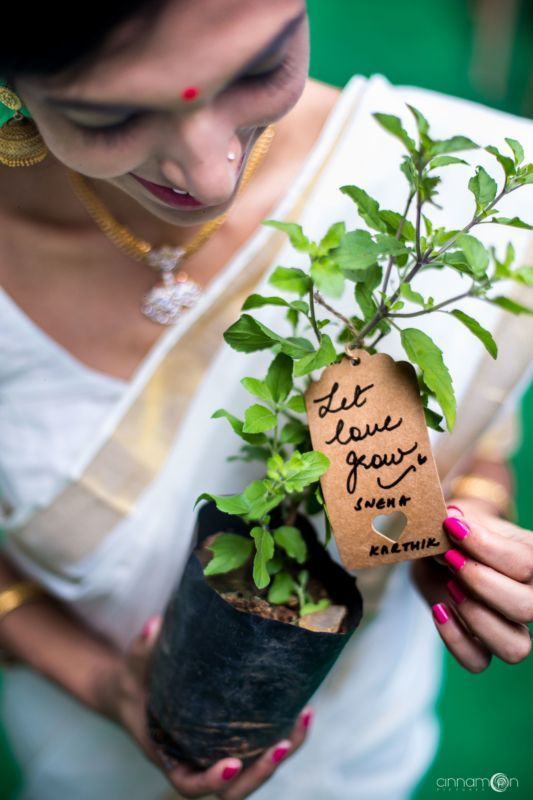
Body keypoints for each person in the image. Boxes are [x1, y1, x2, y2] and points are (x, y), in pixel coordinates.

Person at [0, 2, 532, 799]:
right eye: (109, 115)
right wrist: (104, 684)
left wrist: (462, 523)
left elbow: (475, 438)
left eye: (258, 68)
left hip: (361, 751)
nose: (208, 175)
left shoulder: (437, 194)